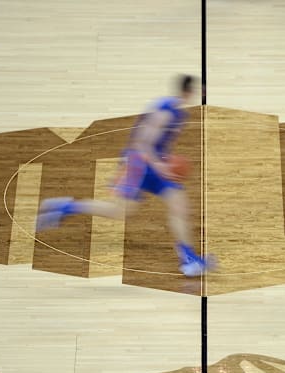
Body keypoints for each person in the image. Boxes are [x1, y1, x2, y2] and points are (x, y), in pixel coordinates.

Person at [36, 75, 214, 276]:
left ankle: (189, 259)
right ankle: (65, 207)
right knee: (120, 212)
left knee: (179, 205)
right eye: (198, 90)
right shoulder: (165, 113)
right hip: (138, 164)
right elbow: (140, 143)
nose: (200, 94)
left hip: (156, 164)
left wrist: (162, 162)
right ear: (188, 92)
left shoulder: (177, 112)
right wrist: (160, 165)